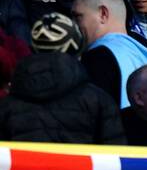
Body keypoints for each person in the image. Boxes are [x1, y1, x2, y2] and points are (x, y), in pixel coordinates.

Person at [0, 10, 126, 145]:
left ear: (33, 48)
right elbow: (114, 157)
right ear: (77, 49)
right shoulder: (98, 100)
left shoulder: (7, 104)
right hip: (81, 166)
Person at [71, 0, 147, 108]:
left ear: (103, 14)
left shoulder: (98, 57)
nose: (72, 24)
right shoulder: (144, 49)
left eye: (78, 16)